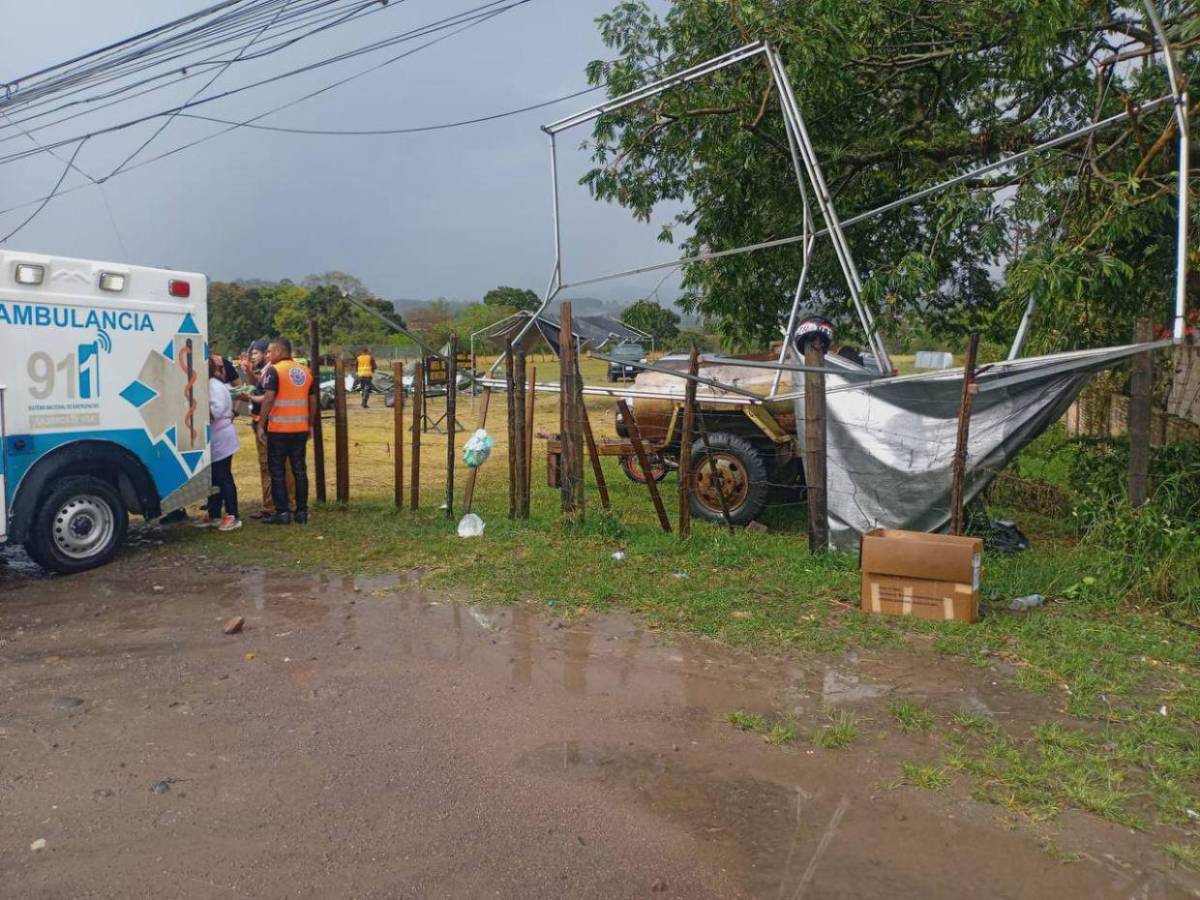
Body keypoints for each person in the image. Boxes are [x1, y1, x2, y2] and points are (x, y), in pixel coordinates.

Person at [257, 337, 316, 525]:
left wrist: (261, 423)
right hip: (300, 428)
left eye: (270, 351)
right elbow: (313, 400)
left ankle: (282, 512)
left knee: (277, 470)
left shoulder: (275, 371)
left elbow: (269, 398)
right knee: (299, 469)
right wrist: (310, 424)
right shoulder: (306, 371)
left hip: (279, 429)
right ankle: (302, 511)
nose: (268, 355)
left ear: (280, 352)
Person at [235, 340, 294, 518]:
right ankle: (286, 503)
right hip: (277, 424)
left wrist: (249, 398)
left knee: (269, 466)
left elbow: (267, 397)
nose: (255, 356)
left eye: (257, 353)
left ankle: (272, 506)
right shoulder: (271, 369)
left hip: (268, 424)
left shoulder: (272, 370)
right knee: (284, 465)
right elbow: (260, 386)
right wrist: (249, 372)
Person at [194, 356, 241, 531]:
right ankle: (213, 514)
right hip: (216, 437)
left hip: (221, 436)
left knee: (224, 477)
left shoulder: (214, 387)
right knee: (213, 478)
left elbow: (216, 411)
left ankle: (233, 515)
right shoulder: (210, 385)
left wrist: (197, 410)